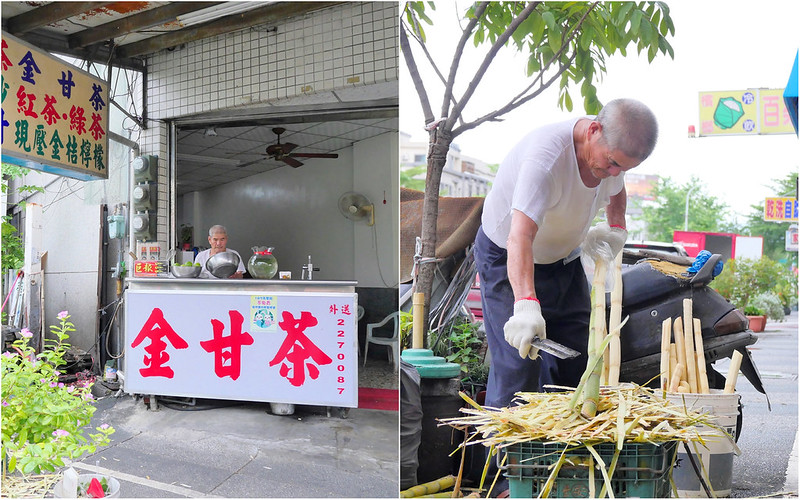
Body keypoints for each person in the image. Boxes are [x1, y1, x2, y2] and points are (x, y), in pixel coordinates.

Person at [474, 98, 659, 410]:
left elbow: (617, 189)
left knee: (579, 358)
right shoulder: (544, 160)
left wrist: (617, 228)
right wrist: (526, 306)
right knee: (520, 365)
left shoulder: (612, 151)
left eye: (625, 168)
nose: (613, 172)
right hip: (509, 257)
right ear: (594, 130)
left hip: (563, 261)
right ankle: (503, 457)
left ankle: (560, 448)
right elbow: (519, 236)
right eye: (612, 162)